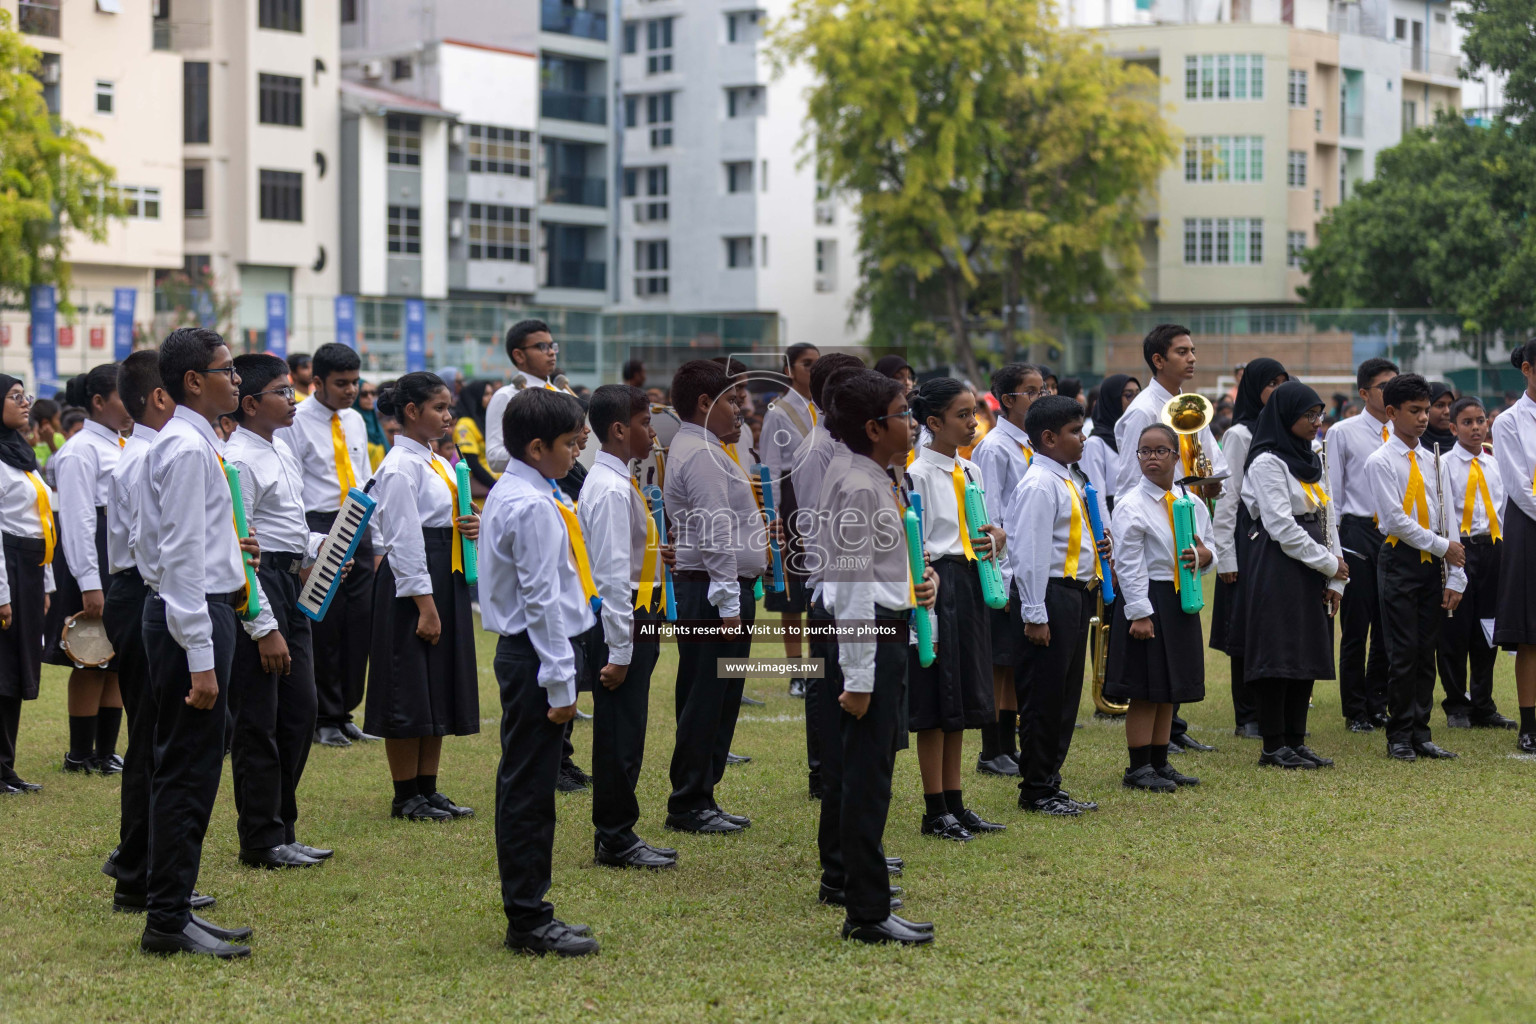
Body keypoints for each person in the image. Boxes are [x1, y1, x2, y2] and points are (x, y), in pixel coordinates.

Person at [137, 327, 257, 957]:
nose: (236, 380)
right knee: (186, 770)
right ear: (192, 382)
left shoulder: (194, 441)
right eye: (226, 370)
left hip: (199, 613)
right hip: (192, 621)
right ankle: (165, 920)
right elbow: (179, 558)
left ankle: (175, 908)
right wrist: (202, 660)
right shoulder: (185, 448)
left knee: (193, 767)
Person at [481, 387, 599, 956]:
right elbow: (542, 601)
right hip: (535, 654)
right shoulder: (529, 505)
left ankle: (532, 909)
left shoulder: (526, 489)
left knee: (528, 786)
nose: (577, 453)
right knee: (529, 790)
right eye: (571, 444)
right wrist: (560, 682)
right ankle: (528, 919)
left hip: (531, 651)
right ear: (535, 446)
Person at [820, 368, 936, 945]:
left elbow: (881, 569)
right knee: (867, 781)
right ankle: (865, 911)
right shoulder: (861, 485)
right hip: (872, 643)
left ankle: (866, 898)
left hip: (889, 631)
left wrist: (920, 582)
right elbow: (850, 585)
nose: (911, 423)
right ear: (872, 427)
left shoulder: (876, 476)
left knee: (871, 778)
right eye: (902, 414)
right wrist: (860, 676)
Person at [224, 355, 333, 867]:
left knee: (300, 710)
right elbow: (239, 545)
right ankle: (261, 838)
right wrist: (262, 625)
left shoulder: (280, 447)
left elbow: (287, 529)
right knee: (260, 719)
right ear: (249, 403)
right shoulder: (239, 460)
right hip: (260, 586)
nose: (292, 400)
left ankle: (283, 827)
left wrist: (324, 547)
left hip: (292, 585)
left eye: (292, 391)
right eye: (281, 392)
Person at [365, 372, 481, 821]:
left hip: (442, 571)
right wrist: (425, 605)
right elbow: (404, 539)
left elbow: (440, 519)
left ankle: (428, 789)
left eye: (448, 407)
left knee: (435, 683)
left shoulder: (435, 460)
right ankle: (404, 794)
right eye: (439, 408)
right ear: (411, 412)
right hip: (413, 583)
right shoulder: (400, 466)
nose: (448, 416)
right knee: (407, 685)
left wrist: (467, 521)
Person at [100, 354, 189, 906]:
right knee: (153, 739)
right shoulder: (152, 457)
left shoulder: (154, 453)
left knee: (154, 739)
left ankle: (139, 863)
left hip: (143, 591)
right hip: (142, 594)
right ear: (161, 397)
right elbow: (157, 552)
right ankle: (139, 872)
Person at [662, 359, 764, 834]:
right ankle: (689, 801)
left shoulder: (705, 447)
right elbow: (713, 526)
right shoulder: (700, 451)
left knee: (717, 696)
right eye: (731, 400)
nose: (740, 410)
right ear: (705, 404)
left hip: (716, 587)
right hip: (712, 590)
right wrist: (727, 601)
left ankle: (700, 794)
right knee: (708, 696)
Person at [577, 385, 676, 870]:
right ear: (619, 429)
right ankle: (615, 836)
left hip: (636, 616)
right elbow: (612, 579)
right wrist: (621, 650)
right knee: (620, 733)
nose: (651, 432)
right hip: (626, 621)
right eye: (644, 423)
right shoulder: (614, 488)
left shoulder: (618, 480)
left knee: (627, 730)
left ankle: (618, 831)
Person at [904, 378, 1005, 840]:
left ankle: (956, 803)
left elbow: (982, 532)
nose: (972, 422)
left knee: (962, 697)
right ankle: (933, 808)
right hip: (937, 585)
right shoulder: (918, 474)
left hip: (970, 583)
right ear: (934, 423)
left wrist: (996, 539)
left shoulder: (972, 472)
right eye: (962, 414)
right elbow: (916, 542)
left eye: (973, 412)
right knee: (937, 699)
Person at [1003, 395, 1107, 816]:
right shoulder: (1039, 484)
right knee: (1043, 698)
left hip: (1074, 594)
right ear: (1048, 438)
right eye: (1073, 432)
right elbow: (1028, 552)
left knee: (1064, 696)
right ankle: (1036, 789)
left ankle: (1050, 780)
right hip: (1048, 595)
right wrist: (1034, 613)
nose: (1082, 439)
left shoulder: (1066, 478)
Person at [275, 343, 379, 749]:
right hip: (318, 522)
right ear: (316, 382)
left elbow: (367, 474)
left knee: (359, 622)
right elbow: (294, 484)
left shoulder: (355, 418)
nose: (350, 390)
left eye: (355, 382)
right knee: (326, 621)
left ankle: (345, 711)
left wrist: (378, 537)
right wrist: (304, 541)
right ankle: (323, 716)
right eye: (341, 383)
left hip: (358, 520)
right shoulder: (295, 420)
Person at [1239, 382, 1346, 769]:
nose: (1317, 422)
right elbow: (1281, 526)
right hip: (1279, 565)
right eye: (1309, 415)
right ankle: (1273, 744)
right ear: (1286, 417)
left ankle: (1297, 741)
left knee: (1307, 652)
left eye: (1320, 414)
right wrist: (1329, 563)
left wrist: (1337, 575)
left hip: (1314, 562)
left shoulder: (1314, 456)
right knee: (1279, 653)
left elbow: (1327, 515)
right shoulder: (1267, 461)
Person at [1107, 423, 1213, 791]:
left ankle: (1160, 761)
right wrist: (1138, 612)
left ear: (1176, 455)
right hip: (1148, 598)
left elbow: (1209, 547)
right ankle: (1138, 767)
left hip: (1180, 599)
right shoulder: (1131, 505)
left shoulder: (1191, 503)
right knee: (1146, 687)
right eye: (1145, 451)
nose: (1152, 458)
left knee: (1170, 686)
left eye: (1160, 451)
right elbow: (1129, 561)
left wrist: (1204, 555)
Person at [1366, 373, 1466, 762]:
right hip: (1399, 560)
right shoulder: (1381, 460)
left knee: (1428, 650)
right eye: (1415, 411)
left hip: (1434, 563)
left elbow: (1447, 513)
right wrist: (1444, 548)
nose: (1425, 418)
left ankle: (1421, 732)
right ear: (1391, 413)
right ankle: (1399, 735)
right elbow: (1393, 520)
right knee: (1403, 651)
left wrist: (1455, 569)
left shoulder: (1433, 459)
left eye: (1427, 410)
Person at [44, 364, 132, 775]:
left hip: (118, 555)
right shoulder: (80, 449)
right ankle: (79, 753)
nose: (133, 404)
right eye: (123, 395)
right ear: (98, 402)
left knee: (115, 658)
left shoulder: (122, 444)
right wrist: (89, 583)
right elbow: (78, 519)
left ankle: (105, 751)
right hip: (91, 557)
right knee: (87, 657)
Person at [794, 353, 866, 798]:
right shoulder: (818, 447)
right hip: (830, 584)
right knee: (826, 680)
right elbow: (812, 520)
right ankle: (822, 771)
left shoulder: (845, 442)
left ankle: (838, 765)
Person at [970, 363, 1046, 777]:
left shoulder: (1032, 445)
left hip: (1025, 566)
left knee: (1014, 662)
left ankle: (1008, 745)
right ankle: (992, 748)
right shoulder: (996, 447)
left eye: (1043, 390)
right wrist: (1000, 576)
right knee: (1000, 663)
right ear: (1006, 400)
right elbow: (992, 517)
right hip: (1005, 570)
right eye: (1030, 392)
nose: (1039, 398)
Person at [1210, 358, 1287, 740]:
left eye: (1283, 382)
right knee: (1244, 628)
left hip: (1280, 539)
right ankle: (1247, 715)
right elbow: (1228, 496)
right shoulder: (1240, 434)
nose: (1277, 388)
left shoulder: (1288, 428)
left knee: (1272, 624)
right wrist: (1225, 553)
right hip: (1247, 537)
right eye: (1270, 382)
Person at [1327, 357, 1400, 732]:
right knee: (1357, 626)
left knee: (1388, 628)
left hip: (1395, 534)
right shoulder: (1343, 432)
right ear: (1364, 392)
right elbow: (1334, 497)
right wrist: (1335, 547)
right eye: (1384, 385)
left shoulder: (1403, 432)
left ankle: (1378, 703)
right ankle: (1354, 709)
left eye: (1396, 383)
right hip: (1357, 532)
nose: (1391, 391)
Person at [1435, 398, 1514, 729]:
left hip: (1493, 548)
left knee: (1488, 629)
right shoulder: (1443, 465)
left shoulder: (1496, 463)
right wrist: (1452, 559)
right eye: (1467, 422)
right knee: (1455, 628)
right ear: (1453, 428)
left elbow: (1506, 506)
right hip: (1459, 550)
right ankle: (1457, 704)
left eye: (1481, 420)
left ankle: (1483, 703)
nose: (1477, 427)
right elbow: (1443, 513)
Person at [0, 378, 55, 795]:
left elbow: (42, 522)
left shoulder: (20, 455)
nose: (25, 403)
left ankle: (6, 768)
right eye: (15, 397)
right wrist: (2, 595)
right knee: (2, 670)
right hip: (8, 568)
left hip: (31, 568)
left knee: (19, 668)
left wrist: (47, 582)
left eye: (26, 397)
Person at [761, 343, 820, 698]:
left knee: (819, 588)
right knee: (791, 594)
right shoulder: (778, 413)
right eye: (806, 364)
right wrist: (774, 519)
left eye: (817, 364)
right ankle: (797, 670)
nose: (812, 370)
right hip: (791, 505)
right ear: (789, 369)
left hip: (822, 502)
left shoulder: (826, 410)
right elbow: (769, 469)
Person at [1493, 341, 1536, 754]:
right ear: (1527, 368)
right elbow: (1518, 486)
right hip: (1530, 527)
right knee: (1530, 634)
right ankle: (1529, 723)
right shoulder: (1509, 422)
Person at [485, 319, 580, 473]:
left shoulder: (562, 393)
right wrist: (543, 451)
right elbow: (494, 458)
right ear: (519, 355)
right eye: (542, 346)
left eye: (552, 346)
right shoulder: (507, 396)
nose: (551, 352)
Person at [1079, 373, 1140, 509]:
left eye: (1138, 394)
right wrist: (1107, 529)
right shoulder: (1096, 443)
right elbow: (1097, 497)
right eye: (1129, 395)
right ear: (1112, 400)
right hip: (1113, 513)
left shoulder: (1137, 436)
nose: (1136, 401)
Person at [453, 379, 501, 495]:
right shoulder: (465, 425)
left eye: (491, 393)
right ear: (475, 397)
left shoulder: (484, 421)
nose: (490, 398)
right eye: (486, 394)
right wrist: (497, 487)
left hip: (495, 486)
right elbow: (472, 464)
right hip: (483, 492)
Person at [354, 379, 389, 471]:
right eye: (364, 394)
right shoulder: (352, 423)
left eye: (373, 393)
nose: (370, 397)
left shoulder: (376, 424)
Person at [28, 397, 64, 469]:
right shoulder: (29, 440)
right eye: (57, 419)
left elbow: (63, 465)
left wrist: (51, 443)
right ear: (45, 423)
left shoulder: (59, 439)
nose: (60, 423)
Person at [1422, 382, 1456, 453]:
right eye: (1440, 405)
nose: (1447, 411)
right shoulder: (1414, 444)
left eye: (1450, 405)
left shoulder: (1464, 442)